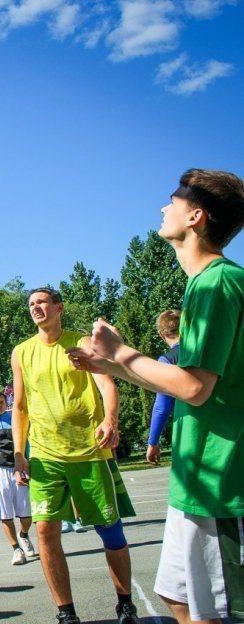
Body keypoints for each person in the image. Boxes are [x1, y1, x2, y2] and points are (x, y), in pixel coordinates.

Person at [68, 168, 244, 624]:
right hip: (195, 481)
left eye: (173, 201)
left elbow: (194, 389)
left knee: (220, 612)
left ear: (196, 217)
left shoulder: (216, 282)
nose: (164, 207)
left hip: (221, 483)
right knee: (177, 598)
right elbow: (185, 381)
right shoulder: (202, 285)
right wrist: (110, 365)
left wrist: (122, 351)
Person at [11, 288, 138, 624]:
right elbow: (20, 406)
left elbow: (107, 385)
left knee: (110, 531)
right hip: (45, 455)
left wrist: (110, 419)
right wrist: (19, 452)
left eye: (41, 302)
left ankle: (125, 603)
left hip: (89, 452)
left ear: (59, 308)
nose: (35, 307)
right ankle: (65, 612)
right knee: (45, 531)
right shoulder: (22, 352)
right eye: (31, 304)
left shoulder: (80, 343)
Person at [0, 391, 36, 565]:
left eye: (1, 402)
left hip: (18, 468)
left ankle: (23, 534)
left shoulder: (15, 420)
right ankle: (16, 549)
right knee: (5, 513)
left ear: (6, 402)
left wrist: (28, 464)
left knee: (27, 513)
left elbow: (27, 444)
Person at [146, 310, 181, 465]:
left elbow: (162, 407)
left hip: (192, 429)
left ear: (161, 334)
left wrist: (153, 442)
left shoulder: (167, 360)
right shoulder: (210, 349)